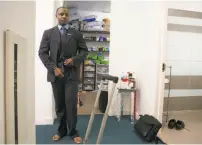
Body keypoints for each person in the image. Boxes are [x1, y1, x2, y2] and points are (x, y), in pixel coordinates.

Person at [38, 6, 88, 144]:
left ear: (69, 17)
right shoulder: (48, 33)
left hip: (71, 73)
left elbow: (84, 52)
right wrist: (53, 68)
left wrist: (74, 60)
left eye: (66, 14)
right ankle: (61, 130)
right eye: (61, 14)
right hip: (56, 74)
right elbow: (42, 53)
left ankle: (73, 131)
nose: (64, 16)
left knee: (71, 104)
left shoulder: (76, 34)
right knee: (60, 104)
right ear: (56, 16)